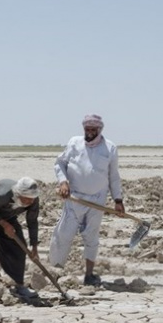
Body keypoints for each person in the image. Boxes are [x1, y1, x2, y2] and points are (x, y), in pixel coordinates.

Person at [49, 114, 124, 286]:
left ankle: (89, 275)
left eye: (93, 130)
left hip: (97, 200)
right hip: (74, 198)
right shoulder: (74, 143)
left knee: (91, 237)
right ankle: (54, 271)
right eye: (87, 129)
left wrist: (118, 200)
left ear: (99, 130)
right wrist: (63, 182)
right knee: (63, 234)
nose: (89, 133)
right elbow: (59, 163)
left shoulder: (110, 148)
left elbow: (113, 176)